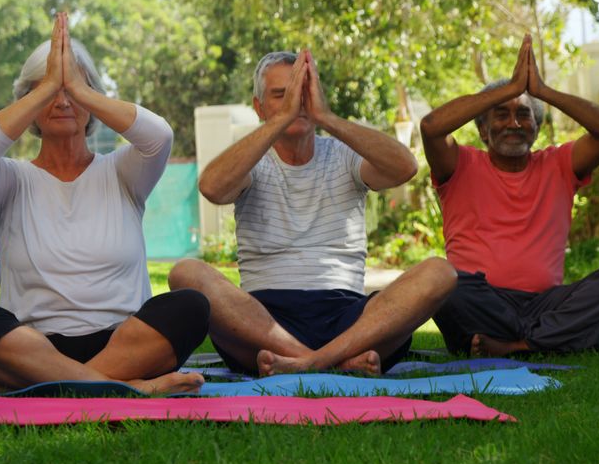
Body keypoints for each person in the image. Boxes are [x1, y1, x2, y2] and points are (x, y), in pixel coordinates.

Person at [0, 13, 209, 394]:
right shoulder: (9, 180)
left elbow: (159, 136)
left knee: (190, 306)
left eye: (74, 88)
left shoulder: (123, 171)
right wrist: (49, 87)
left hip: (125, 343)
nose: (62, 100)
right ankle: (128, 389)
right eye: (47, 90)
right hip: (36, 345)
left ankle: (47, 385)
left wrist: (78, 88)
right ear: (29, 101)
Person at [169, 49, 457, 376]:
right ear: (258, 107)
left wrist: (328, 118)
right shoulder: (252, 160)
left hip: (349, 320)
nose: (297, 103)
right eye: (283, 95)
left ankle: (307, 364)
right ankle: (332, 363)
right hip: (263, 324)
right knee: (185, 274)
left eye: (304, 94)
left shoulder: (344, 155)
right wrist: (280, 120)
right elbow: (212, 187)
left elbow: (405, 167)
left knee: (440, 272)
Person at [420, 34, 599, 356]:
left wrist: (542, 91)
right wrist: (510, 88)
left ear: (536, 128)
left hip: (546, 303)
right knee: (442, 280)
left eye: (524, 114)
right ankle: (557, 337)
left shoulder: (558, 164)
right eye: (501, 114)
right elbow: (431, 126)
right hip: (480, 303)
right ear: (482, 130)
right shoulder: (458, 163)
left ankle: (518, 345)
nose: (513, 123)